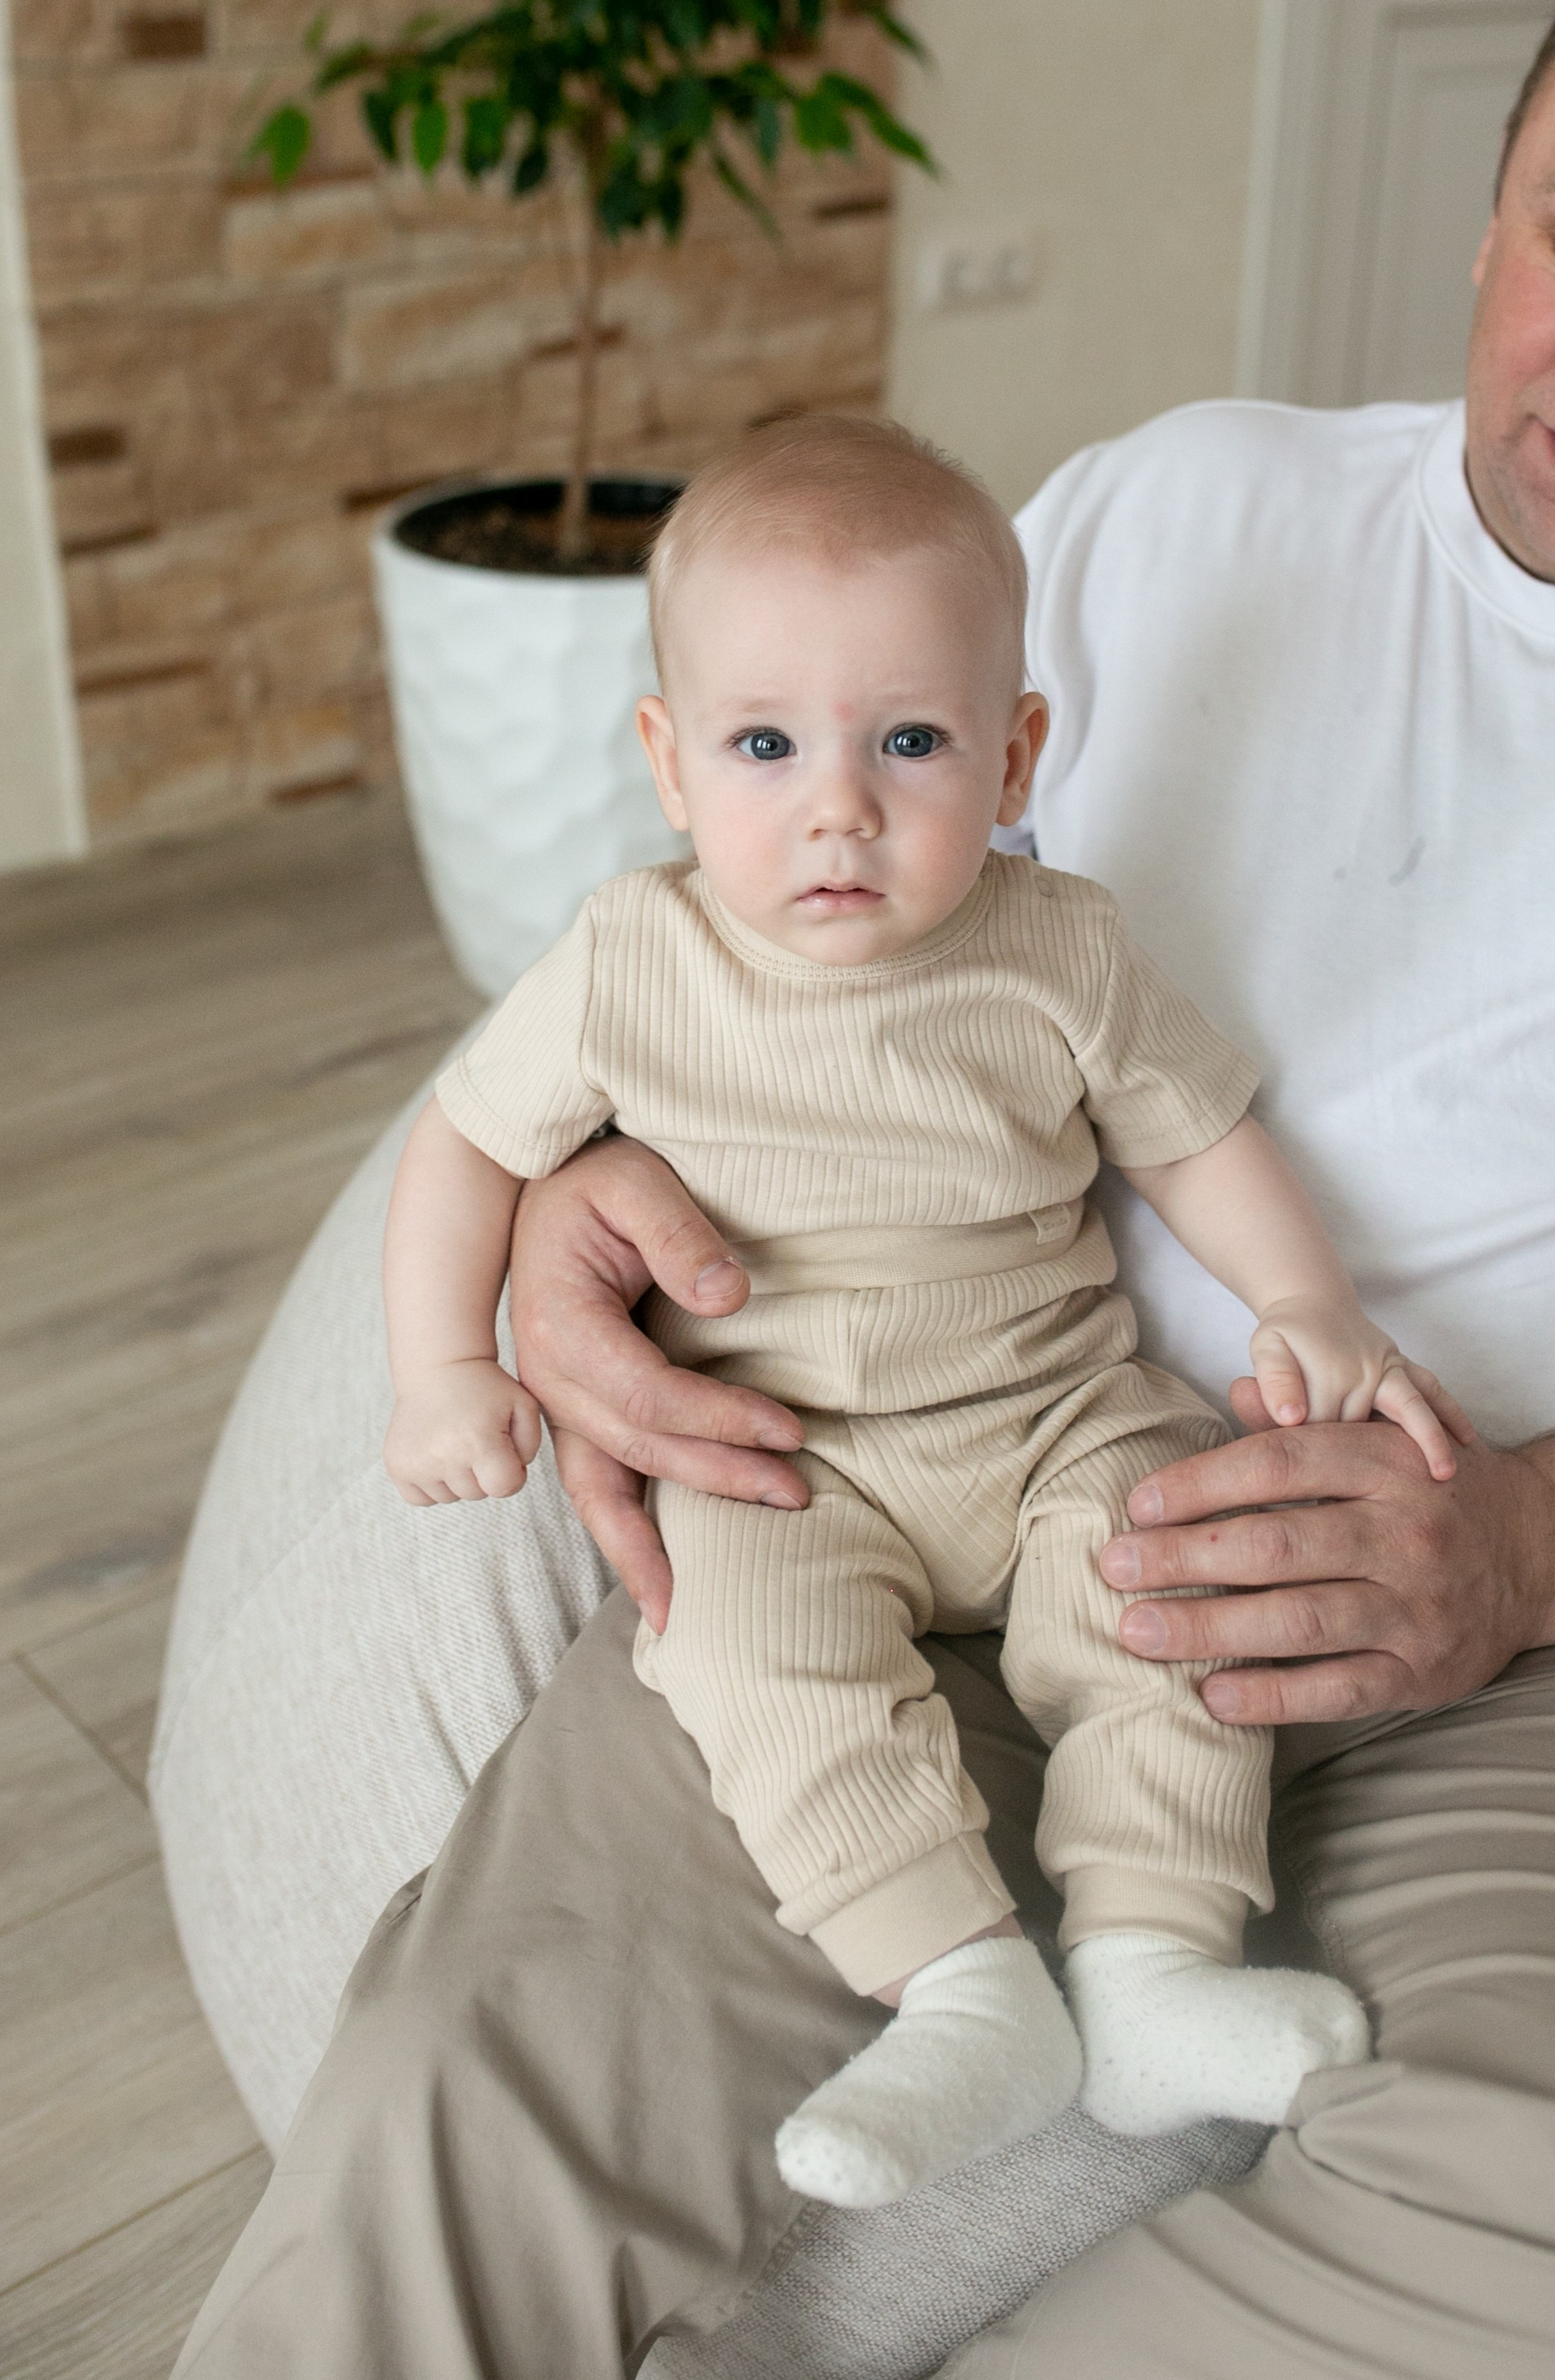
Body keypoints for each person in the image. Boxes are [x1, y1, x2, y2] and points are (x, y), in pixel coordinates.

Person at [175, 21, 1555, 2377]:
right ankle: (966, 1989)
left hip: (1490, 1665)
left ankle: (1128, 1994)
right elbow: (772, 922)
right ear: (1492, 220)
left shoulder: (1086, 949)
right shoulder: (1182, 521)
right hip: (866, 1469)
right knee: (478, 2101)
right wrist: (560, 1234)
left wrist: (1527, 1542)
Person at [376, 415, 1458, 2200]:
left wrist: (1305, 1300)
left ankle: (1149, 1962)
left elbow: (1197, 1134)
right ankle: (957, 1989)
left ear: (1014, 750)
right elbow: (466, 1149)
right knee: (733, 1644)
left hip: (1051, 1416)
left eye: (908, 741)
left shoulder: (1059, 947)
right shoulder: (628, 961)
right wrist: (438, 1366)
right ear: (664, 759)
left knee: (1176, 1582)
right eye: (761, 743)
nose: (838, 806)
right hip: (787, 1448)